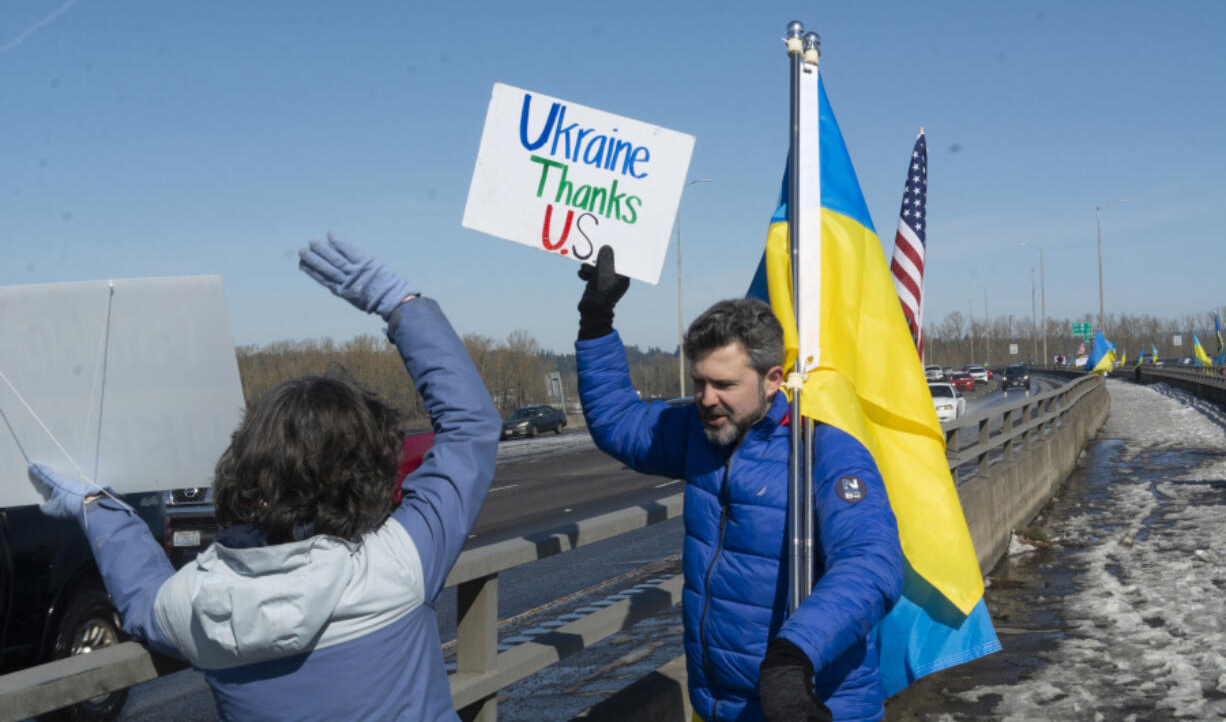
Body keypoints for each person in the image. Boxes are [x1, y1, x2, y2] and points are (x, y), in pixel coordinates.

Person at [28, 234, 500, 722]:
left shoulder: (194, 605)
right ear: (365, 475)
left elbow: (141, 590)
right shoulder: (398, 567)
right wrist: (402, 306)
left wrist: (94, 506)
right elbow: (472, 426)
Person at [575, 246, 903, 722]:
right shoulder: (700, 434)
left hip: (811, 703)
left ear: (773, 379)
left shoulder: (825, 448)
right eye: (699, 382)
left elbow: (872, 565)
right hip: (721, 706)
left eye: (725, 384)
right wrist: (597, 319)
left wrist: (794, 657)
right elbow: (618, 424)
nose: (707, 399)